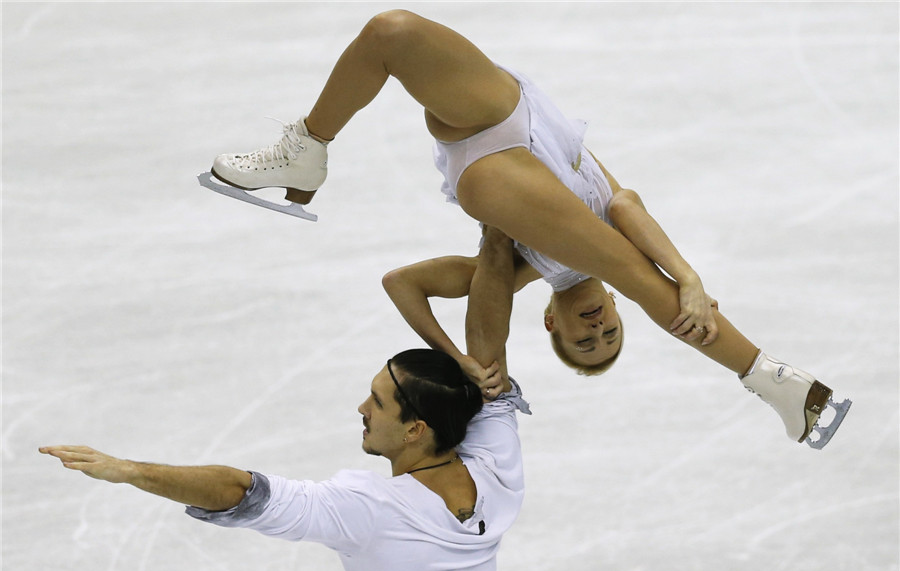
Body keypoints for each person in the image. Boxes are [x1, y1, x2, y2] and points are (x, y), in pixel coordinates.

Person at [204, 10, 849, 447]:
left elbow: (401, 283)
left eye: (584, 341)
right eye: (609, 333)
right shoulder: (602, 249)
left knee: (499, 206)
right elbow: (626, 204)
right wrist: (689, 277)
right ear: (616, 314)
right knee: (390, 32)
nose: (596, 328)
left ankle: (780, 384)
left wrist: (465, 360)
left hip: (488, 170)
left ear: (553, 325)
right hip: (513, 111)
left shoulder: (521, 272)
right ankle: (308, 146)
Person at [40, 232, 531, 571]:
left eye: (378, 403)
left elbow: (241, 491)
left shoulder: (372, 509)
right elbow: (489, 349)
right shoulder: (497, 470)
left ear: (414, 430)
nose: (362, 407)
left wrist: (129, 470)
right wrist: (498, 236)